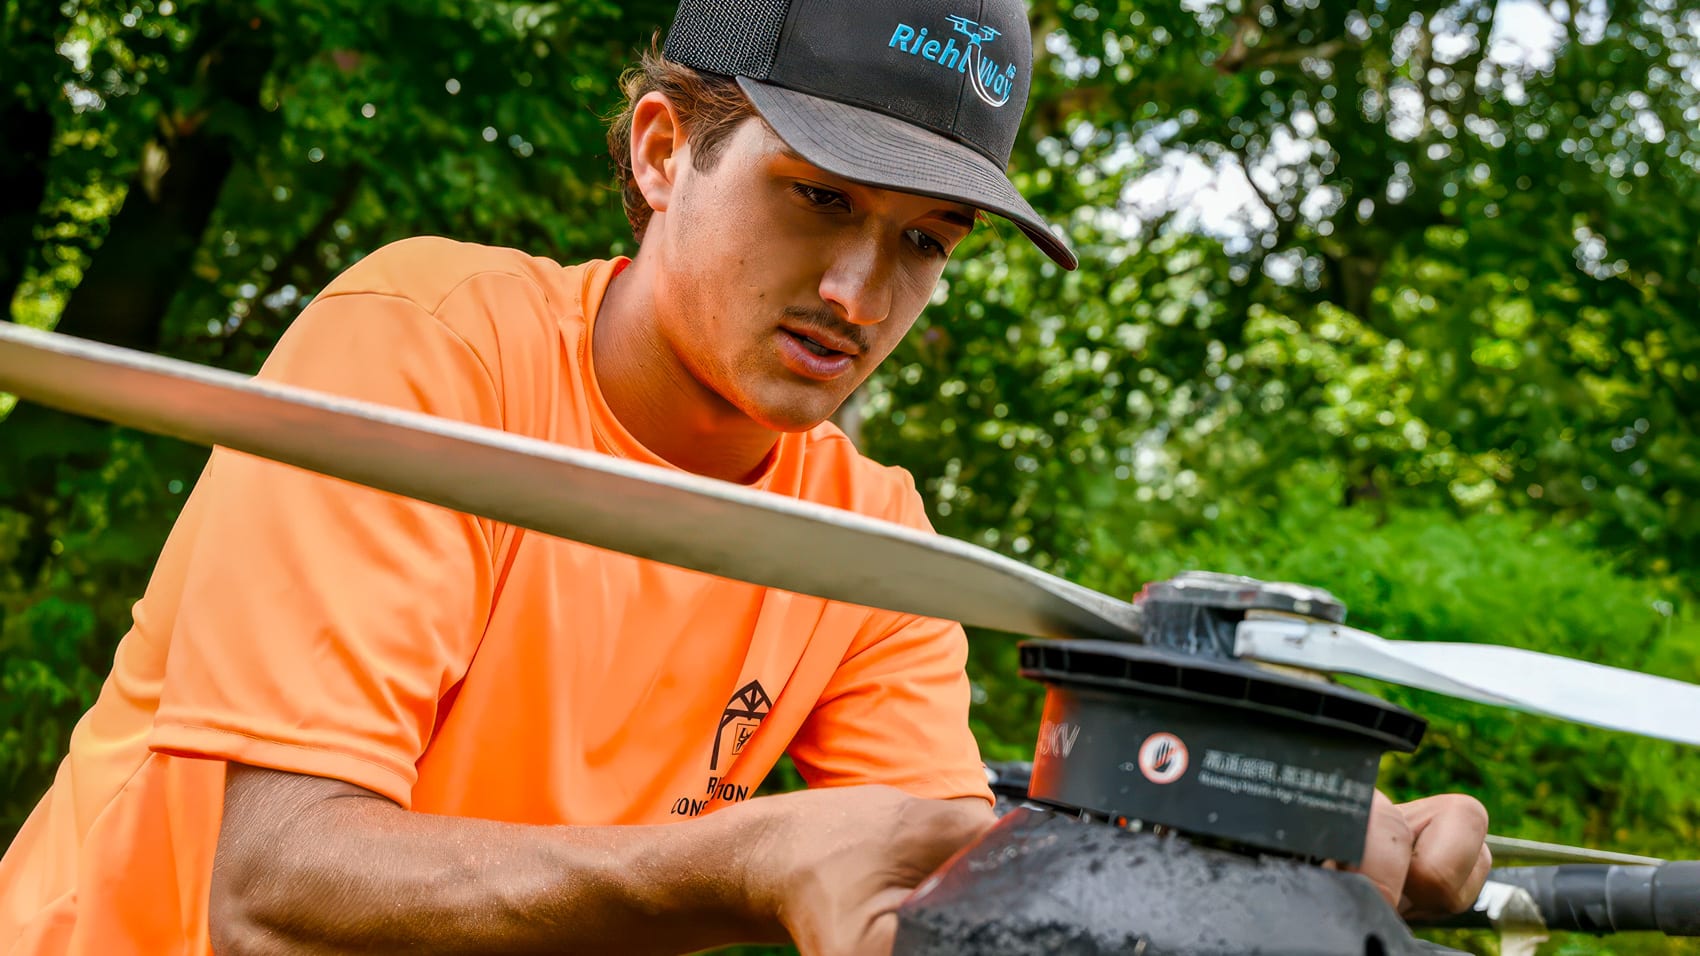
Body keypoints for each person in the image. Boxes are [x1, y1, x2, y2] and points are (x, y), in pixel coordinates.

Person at [0, 0, 1492, 952]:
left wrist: (1266, 847)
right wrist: (744, 855)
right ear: (664, 152)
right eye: (816, 198)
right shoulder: (429, 346)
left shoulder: (871, 542)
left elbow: (947, 898)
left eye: (924, 241)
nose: (857, 291)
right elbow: (270, 890)